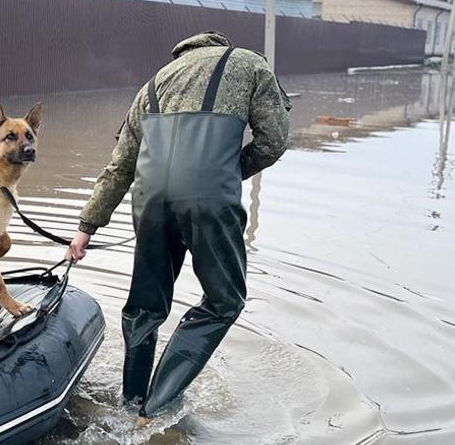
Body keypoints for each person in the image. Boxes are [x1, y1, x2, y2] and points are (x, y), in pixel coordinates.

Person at [65, 31, 291, 422]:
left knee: (144, 307)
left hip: (149, 201)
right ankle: (155, 410)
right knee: (224, 301)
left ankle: (129, 406)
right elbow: (274, 140)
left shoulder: (152, 84)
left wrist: (86, 227)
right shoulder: (249, 64)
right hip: (209, 197)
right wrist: (228, 170)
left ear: (183, 53)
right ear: (218, 46)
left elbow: (120, 167)